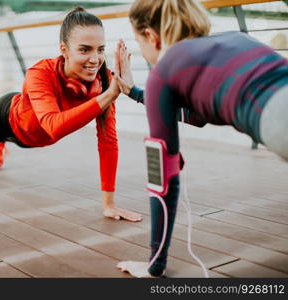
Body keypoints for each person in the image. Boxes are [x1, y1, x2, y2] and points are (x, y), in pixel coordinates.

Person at [0, 7, 142, 222]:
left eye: (100, 49)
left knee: (23, 140)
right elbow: (52, 126)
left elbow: (108, 141)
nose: (95, 59)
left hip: (31, 138)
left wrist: (109, 205)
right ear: (64, 50)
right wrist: (108, 97)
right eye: (84, 49)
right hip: (6, 119)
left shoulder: (104, 82)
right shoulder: (41, 73)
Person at [116, 0, 288, 277]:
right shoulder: (236, 38)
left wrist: (154, 266)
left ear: (150, 35)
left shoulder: (164, 71)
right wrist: (134, 92)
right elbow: (199, 114)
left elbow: (162, 178)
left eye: (139, 42)